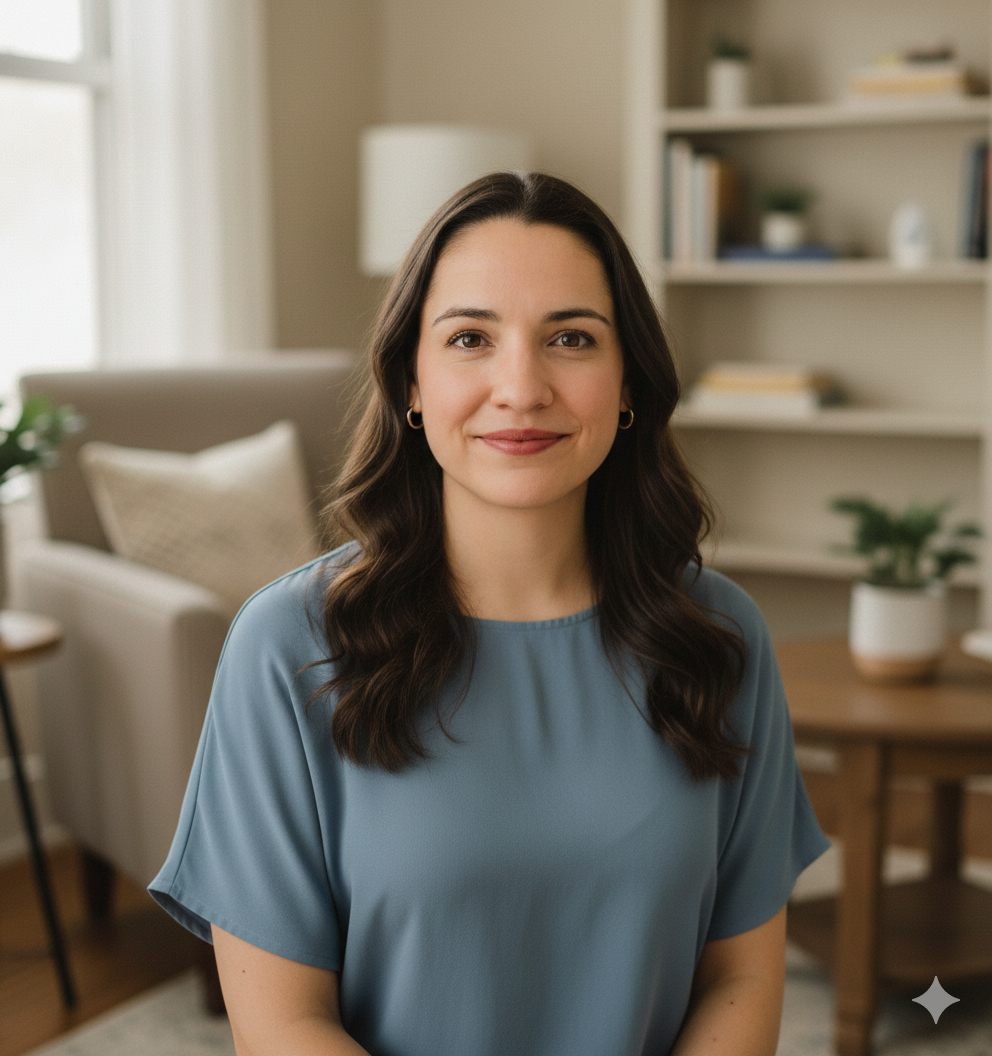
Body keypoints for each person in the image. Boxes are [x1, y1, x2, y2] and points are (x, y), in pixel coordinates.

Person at [150, 171, 829, 1056]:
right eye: (471, 337)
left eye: (572, 339)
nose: (521, 386)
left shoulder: (720, 637)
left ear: (628, 384)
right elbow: (284, 1027)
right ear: (411, 383)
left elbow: (741, 980)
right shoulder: (286, 650)